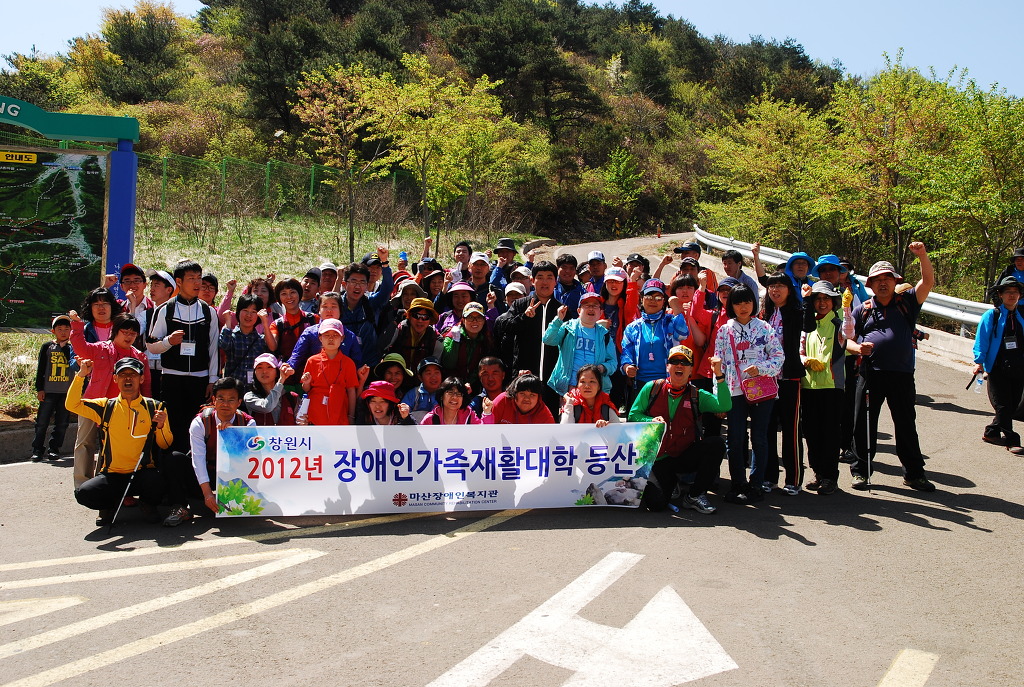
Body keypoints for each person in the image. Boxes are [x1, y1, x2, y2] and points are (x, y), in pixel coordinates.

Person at [850, 242, 936, 492]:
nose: (883, 282)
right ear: (871, 285)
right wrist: (858, 349)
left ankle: (914, 474)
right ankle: (861, 472)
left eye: (888, 278)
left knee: (906, 424)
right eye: (877, 279)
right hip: (870, 374)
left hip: (901, 374)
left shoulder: (907, 302)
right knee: (863, 424)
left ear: (895, 281)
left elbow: (927, 282)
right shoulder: (862, 310)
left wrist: (922, 256)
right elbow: (847, 341)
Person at [67, 357, 172, 526]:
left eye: (133, 374)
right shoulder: (105, 406)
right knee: (84, 493)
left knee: (159, 481)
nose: (128, 378)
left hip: (142, 473)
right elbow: (72, 405)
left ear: (142, 379)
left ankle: (147, 504)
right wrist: (81, 376)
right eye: (123, 375)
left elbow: (165, 444)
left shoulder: (155, 407)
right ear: (115, 379)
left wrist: (161, 426)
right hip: (112, 475)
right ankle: (109, 505)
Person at [628, 345, 730, 514]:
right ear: (667, 366)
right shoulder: (652, 388)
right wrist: (650, 420)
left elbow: (725, 405)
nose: (679, 365)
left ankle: (695, 496)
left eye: (685, 362)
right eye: (674, 361)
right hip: (658, 458)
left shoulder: (697, 394)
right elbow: (633, 415)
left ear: (691, 370)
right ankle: (671, 483)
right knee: (656, 505)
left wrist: (719, 375)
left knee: (716, 444)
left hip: (684, 454)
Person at [715, 284, 784, 504]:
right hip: (734, 390)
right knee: (735, 439)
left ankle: (757, 484)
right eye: (737, 302)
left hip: (762, 389)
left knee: (760, 438)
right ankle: (738, 484)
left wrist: (760, 369)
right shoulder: (724, 330)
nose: (743, 307)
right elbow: (718, 365)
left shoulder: (764, 327)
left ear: (754, 303)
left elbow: (778, 357)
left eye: (747, 301)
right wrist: (720, 397)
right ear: (730, 305)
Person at [147, 259, 221, 454]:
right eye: (191, 278)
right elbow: (151, 346)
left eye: (199, 277)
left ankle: (196, 475)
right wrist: (168, 342)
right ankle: (172, 474)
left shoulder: (208, 311)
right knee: (173, 427)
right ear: (178, 282)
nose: (197, 283)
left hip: (200, 379)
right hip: (172, 378)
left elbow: (214, 347)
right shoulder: (164, 309)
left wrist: (212, 379)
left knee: (197, 428)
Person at [69, 311, 151, 488]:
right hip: (92, 404)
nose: (129, 336)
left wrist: (148, 408)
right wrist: (76, 325)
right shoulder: (100, 348)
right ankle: (82, 486)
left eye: (133, 333)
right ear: (115, 331)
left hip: (120, 410)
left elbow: (146, 385)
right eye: (125, 332)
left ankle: (104, 485)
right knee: (85, 443)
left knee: (111, 449)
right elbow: (80, 347)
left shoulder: (139, 357)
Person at [163, 377, 255, 527]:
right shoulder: (200, 422)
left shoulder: (248, 423)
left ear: (239, 402)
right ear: (213, 400)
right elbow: (197, 459)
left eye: (231, 400)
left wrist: (234, 435)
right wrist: (207, 494)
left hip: (231, 474)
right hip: (205, 473)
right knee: (174, 459)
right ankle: (180, 506)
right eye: (221, 399)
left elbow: (249, 458)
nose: (225, 404)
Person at [801, 281, 862, 495]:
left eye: (826, 298)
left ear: (833, 301)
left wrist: (847, 307)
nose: (822, 302)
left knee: (829, 434)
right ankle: (818, 473)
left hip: (832, 386)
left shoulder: (838, 323)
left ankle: (830, 477)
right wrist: (805, 360)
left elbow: (849, 333)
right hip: (809, 386)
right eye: (818, 298)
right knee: (811, 433)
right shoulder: (806, 324)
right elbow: (799, 350)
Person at [497, 261, 563, 415]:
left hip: (551, 380)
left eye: (549, 277)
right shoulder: (520, 304)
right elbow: (504, 326)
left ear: (556, 281)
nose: (544, 282)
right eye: (540, 277)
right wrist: (524, 317)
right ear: (532, 281)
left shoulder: (561, 309)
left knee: (549, 422)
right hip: (523, 375)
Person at [760, 272, 805, 495]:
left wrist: (806, 299)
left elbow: (811, 326)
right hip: (767, 379)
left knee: (791, 429)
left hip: (789, 378)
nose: (775, 290)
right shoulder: (765, 314)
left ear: (789, 289)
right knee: (767, 428)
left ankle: (793, 478)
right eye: (771, 287)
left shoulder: (797, 312)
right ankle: (769, 477)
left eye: (780, 286)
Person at [974, 276, 1024, 453]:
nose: (1012, 295)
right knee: (1003, 404)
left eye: (1015, 292)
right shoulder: (992, 315)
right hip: (997, 367)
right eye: (1008, 292)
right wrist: (979, 362)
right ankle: (1012, 440)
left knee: (1013, 404)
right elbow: (982, 339)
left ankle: (991, 431)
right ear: (1000, 295)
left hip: (1019, 367)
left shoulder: (1021, 316)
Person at [542, 292, 618, 398]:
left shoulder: (604, 334)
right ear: (579, 311)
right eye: (586, 305)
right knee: (571, 414)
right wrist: (558, 320)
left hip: (594, 389)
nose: (591, 308)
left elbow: (613, 362)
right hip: (571, 386)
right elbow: (548, 340)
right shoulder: (567, 327)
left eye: (595, 306)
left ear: (601, 312)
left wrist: (603, 367)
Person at [620, 278, 691, 389]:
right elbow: (626, 352)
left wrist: (677, 309)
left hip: (667, 381)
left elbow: (682, 334)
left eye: (658, 298)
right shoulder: (632, 327)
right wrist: (627, 367)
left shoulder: (670, 321)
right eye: (649, 297)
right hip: (640, 383)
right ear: (641, 299)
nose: (653, 301)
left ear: (664, 301)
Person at [299, 318, 363, 426]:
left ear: (342, 338)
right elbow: (306, 389)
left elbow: (351, 391)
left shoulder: (348, 363)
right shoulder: (312, 361)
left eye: (335, 335)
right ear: (320, 338)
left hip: (340, 412)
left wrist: (351, 416)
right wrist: (307, 382)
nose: (331, 339)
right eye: (327, 335)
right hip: (315, 413)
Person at [32, 314, 76, 462]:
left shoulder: (73, 348)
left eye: (66, 329)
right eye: (60, 329)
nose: (63, 332)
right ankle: (37, 449)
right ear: (53, 331)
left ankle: (54, 449)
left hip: (66, 391)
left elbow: (74, 365)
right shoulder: (47, 347)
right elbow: (41, 369)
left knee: (62, 423)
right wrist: (40, 389)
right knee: (42, 422)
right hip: (49, 390)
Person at [440, 302, 493, 391]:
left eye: (479, 318)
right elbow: (448, 364)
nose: (475, 321)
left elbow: (482, 366)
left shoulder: (486, 339)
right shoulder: (450, 336)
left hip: (474, 386)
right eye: (470, 317)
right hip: (450, 384)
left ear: (484, 321)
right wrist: (455, 342)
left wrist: (469, 382)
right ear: (463, 320)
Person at [219, 293, 271, 385]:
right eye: (245, 310)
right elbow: (224, 345)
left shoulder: (261, 339)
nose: (249, 315)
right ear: (238, 312)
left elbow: (272, 349)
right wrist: (228, 322)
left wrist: (265, 322)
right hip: (233, 390)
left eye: (253, 312)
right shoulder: (231, 335)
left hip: (254, 391)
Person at [384, 297, 442, 373]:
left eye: (425, 317)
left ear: (430, 320)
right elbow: (382, 347)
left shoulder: (437, 340)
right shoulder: (399, 329)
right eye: (416, 316)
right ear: (409, 316)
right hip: (397, 376)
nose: (420, 321)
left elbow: (434, 368)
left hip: (421, 379)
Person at [244, 353, 298, 425]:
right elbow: (267, 407)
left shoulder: (292, 398)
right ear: (255, 373)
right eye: (259, 368)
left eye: (269, 367)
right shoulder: (250, 397)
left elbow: (299, 423)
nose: (264, 371)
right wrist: (281, 380)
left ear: (277, 372)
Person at [481, 373, 556, 424]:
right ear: (514, 393)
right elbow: (485, 429)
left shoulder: (544, 413)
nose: (527, 398)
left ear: (538, 397)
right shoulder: (503, 400)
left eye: (532, 395)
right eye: (522, 393)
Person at [401, 357, 445, 422]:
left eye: (437, 372)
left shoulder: (446, 394)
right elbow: (403, 415)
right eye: (428, 373)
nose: (433, 377)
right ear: (420, 377)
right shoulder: (413, 394)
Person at [554, 253, 585, 319]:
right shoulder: (549, 287)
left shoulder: (582, 292)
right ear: (557, 269)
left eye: (571, 268)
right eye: (564, 267)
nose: (568, 271)